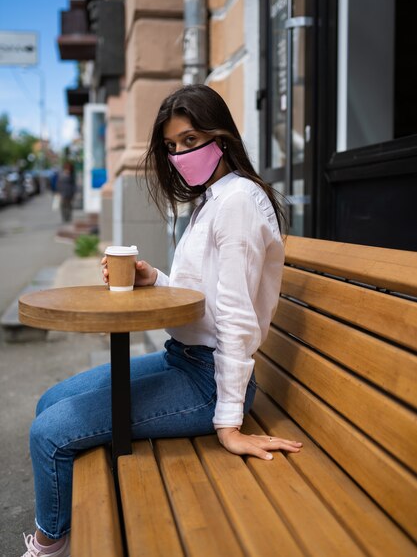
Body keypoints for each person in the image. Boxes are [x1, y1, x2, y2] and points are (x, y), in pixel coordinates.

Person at [20, 85, 302, 557]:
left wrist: (228, 423)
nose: (179, 155)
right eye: (172, 146)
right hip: (182, 360)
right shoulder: (213, 199)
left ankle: (51, 545)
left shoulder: (236, 203)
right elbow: (206, 297)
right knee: (52, 400)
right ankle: (70, 526)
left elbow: (235, 318)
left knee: (48, 434)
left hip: (207, 382)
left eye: (190, 141)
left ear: (222, 137)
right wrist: (156, 278)